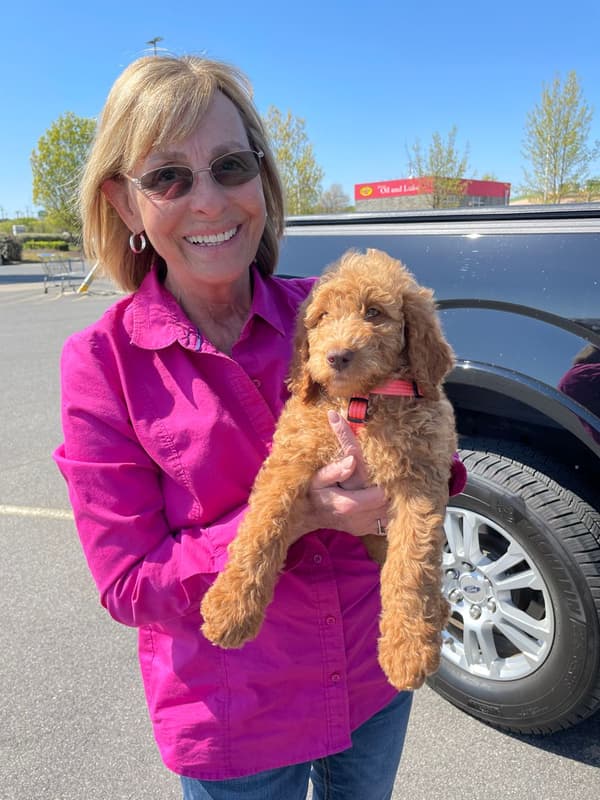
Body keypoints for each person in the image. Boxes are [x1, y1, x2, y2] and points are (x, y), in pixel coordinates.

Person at [55, 54, 465, 800]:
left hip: (371, 682)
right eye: (168, 177)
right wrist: (302, 514)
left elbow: (439, 460)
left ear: (263, 181)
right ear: (124, 203)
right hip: (237, 717)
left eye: (231, 166)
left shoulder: (324, 309)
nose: (209, 202)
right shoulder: (102, 364)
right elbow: (127, 584)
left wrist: (404, 478)